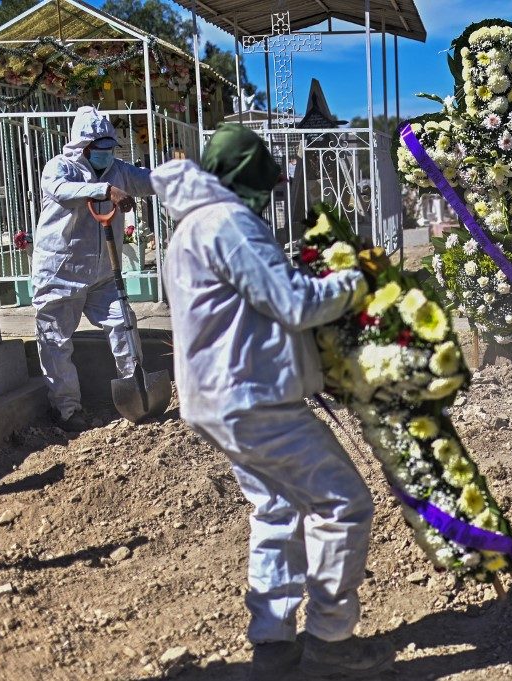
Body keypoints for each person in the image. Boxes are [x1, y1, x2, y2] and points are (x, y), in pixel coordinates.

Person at [152, 123, 391, 680]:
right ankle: (331, 642)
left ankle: (273, 644)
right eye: (263, 187)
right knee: (342, 504)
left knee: (278, 508)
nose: (266, 199)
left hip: (222, 396)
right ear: (244, 180)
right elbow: (293, 303)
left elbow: (253, 302)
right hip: (251, 396)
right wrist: (354, 281)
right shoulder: (228, 222)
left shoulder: (193, 225)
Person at [33, 106, 155, 432]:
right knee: (55, 341)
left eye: (110, 148)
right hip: (60, 272)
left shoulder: (117, 169)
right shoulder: (59, 167)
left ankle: (136, 392)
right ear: (84, 147)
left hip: (102, 274)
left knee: (124, 323)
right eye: (100, 149)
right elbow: (62, 191)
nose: (107, 155)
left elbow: (150, 180)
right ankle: (67, 411)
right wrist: (104, 190)